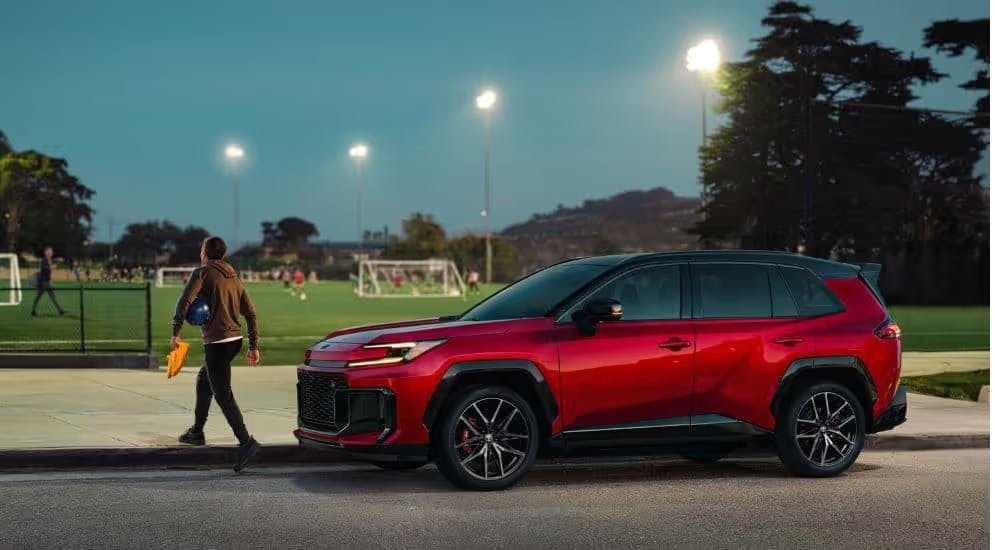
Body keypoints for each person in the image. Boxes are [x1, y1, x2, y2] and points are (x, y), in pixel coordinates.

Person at [171, 236, 261, 473]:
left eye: (201, 248)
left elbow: (184, 301)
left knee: (223, 394)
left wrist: (176, 332)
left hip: (218, 342)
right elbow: (251, 313)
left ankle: (246, 442)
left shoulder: (202, 273)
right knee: (205, 380)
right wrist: (253, 345)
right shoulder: (234, 277)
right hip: (235, 341)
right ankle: (197, 432)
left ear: (205, 252)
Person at [31, 247, 66, 317]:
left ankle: (60, 310)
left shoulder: (49, 260)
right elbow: (45, 269)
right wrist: (53, 266)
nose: (51, 252)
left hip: (46, 281)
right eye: (49, 251)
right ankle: (60, 310)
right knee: (45, 296)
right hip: (43, 282)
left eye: (51, 251)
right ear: (45, 252)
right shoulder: (44, 260)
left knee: (46, 296)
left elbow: (49, 272)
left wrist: (50, 280)